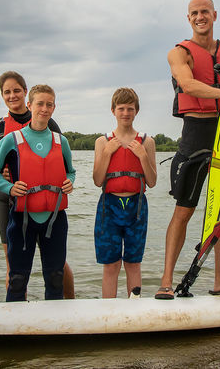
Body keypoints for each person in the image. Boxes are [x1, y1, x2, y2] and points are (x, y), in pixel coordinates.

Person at [155, 0, 220, 299]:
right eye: (195, 13)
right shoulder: (178, 53)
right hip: (195, 133)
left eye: (205, 12)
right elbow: (189, 85)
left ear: (214, 15)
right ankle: (166, 281)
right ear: (188, 18)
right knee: (184, 210)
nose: (200, 17)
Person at [0, 71, 75, 299]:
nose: (12, 95)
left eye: (16, 90)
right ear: (31, 104)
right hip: (14, 205)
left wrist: (69, 182)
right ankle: (16, 318)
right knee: (16, 271)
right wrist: (7, 184)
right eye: (7, 92)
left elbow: (66, 168)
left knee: (56, 270)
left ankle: (67, 309)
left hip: (52, 211)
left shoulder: (57, 133)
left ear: (24, 94)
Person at [92, 87, 157, 298]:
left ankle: (134, 308)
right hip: (109, 207)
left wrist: (143, 157)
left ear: (136, 111)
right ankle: (108, 312)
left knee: (133, 262)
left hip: (136, 207)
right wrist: (107, 154)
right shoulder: (103, 142)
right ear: (113, 111)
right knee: (110, 265)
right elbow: (97, 180)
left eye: (130, 109)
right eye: (121, 109)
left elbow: (153, 181)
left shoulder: (147, 142)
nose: (125, 113)